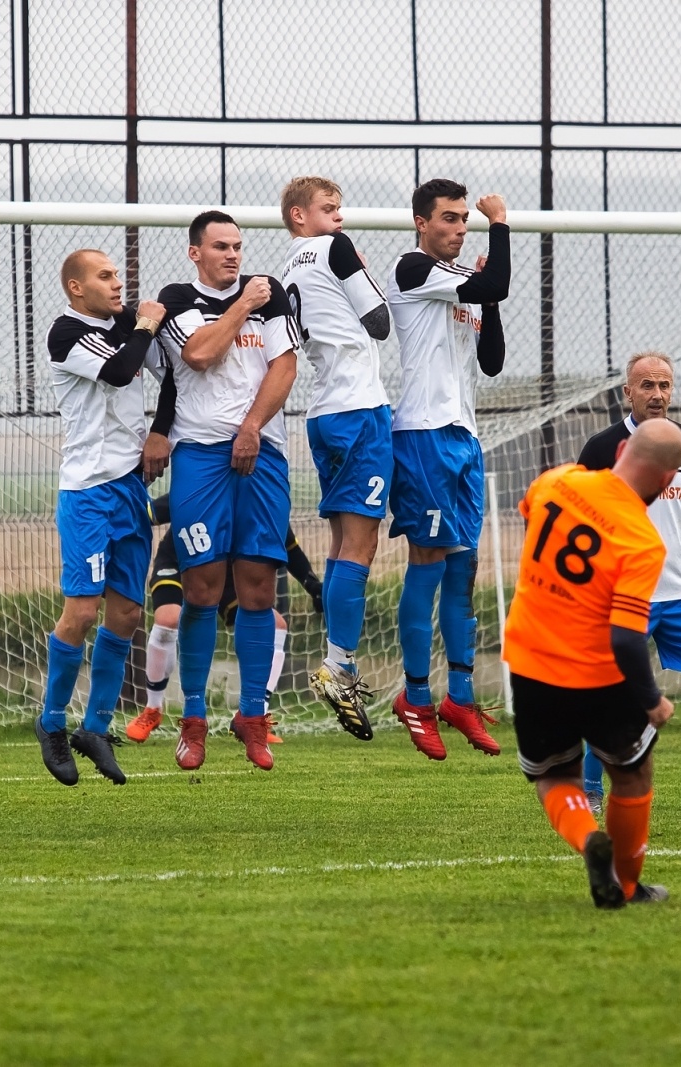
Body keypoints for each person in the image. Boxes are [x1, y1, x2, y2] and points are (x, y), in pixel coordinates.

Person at [502, 418, 681, 908]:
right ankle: (627, 886)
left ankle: (588, 841)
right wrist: (652, 701)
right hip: (599, 674)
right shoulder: (644, 542)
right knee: (631, 775)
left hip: (532, 663)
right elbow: (627, 640)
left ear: (622, 447)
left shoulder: (557, 480)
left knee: (554, 777)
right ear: (669, 482)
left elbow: (530, 517)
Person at [151, 211, 298, 772]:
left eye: (238, 246)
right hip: (199, 456)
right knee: (203, 589)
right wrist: (241, 305)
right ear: (196, 253)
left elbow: (284, 367)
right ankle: (192, 721)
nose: (233, 255)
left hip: (262, 450)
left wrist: (253, 427)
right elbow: (199, 355)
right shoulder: (177, 298)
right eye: (220, 247)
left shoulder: (274, 293)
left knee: (259, 589)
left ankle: (254, 717)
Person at [576, 352, 681, 811]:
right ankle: (590, 794)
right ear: (627, 392)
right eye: (647, 385)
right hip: (622, 595)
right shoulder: (600, 449)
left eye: (665, 385)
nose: (657, 394)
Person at [385, 178, 509, 760]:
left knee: (464, 567)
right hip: (423, 435)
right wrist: (500, 222)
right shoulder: (414, 269)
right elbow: (499, 281)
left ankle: (459, 697)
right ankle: (415, 696)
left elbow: (492, 361)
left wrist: (485, 297)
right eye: (451, 219)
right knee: (428, 561)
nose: (461, 227)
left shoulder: (461, 285)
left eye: (466, 219)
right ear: (422, 223)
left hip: (464, 436)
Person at [33, 248, 166, 787]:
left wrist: (161, 430)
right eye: (104, 276)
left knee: (129, 615)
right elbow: (119, 371)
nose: (117, 284)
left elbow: (170, 374)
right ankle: (50, 724)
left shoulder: (130, 325)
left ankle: (96, 729)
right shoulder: (66, 333)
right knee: (82, 612)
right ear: (76, 287)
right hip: (87, 491)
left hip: (131, 489)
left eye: (118, 275)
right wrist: (147, 324)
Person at [279, 176, 393, 741]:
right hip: (359, 410)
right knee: (362, 543)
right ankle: (339, 664)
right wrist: (364, 276)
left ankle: (335, 657)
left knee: (340, 543)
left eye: (340, 210)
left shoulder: (287, 269)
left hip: (324, 414)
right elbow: (380, 323)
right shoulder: (335, 249)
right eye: (329, 209)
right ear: (299, 215)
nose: (340, 219)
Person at [126, 493, 325, 745]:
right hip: (180, 560)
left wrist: (312, 584)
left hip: (229, 572)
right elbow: (146, 514)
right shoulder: (203, 486)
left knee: (276, 626)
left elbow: (288, 544)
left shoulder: (258, 494)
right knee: (168, 620)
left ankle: (254, 717)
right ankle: (152, 709)